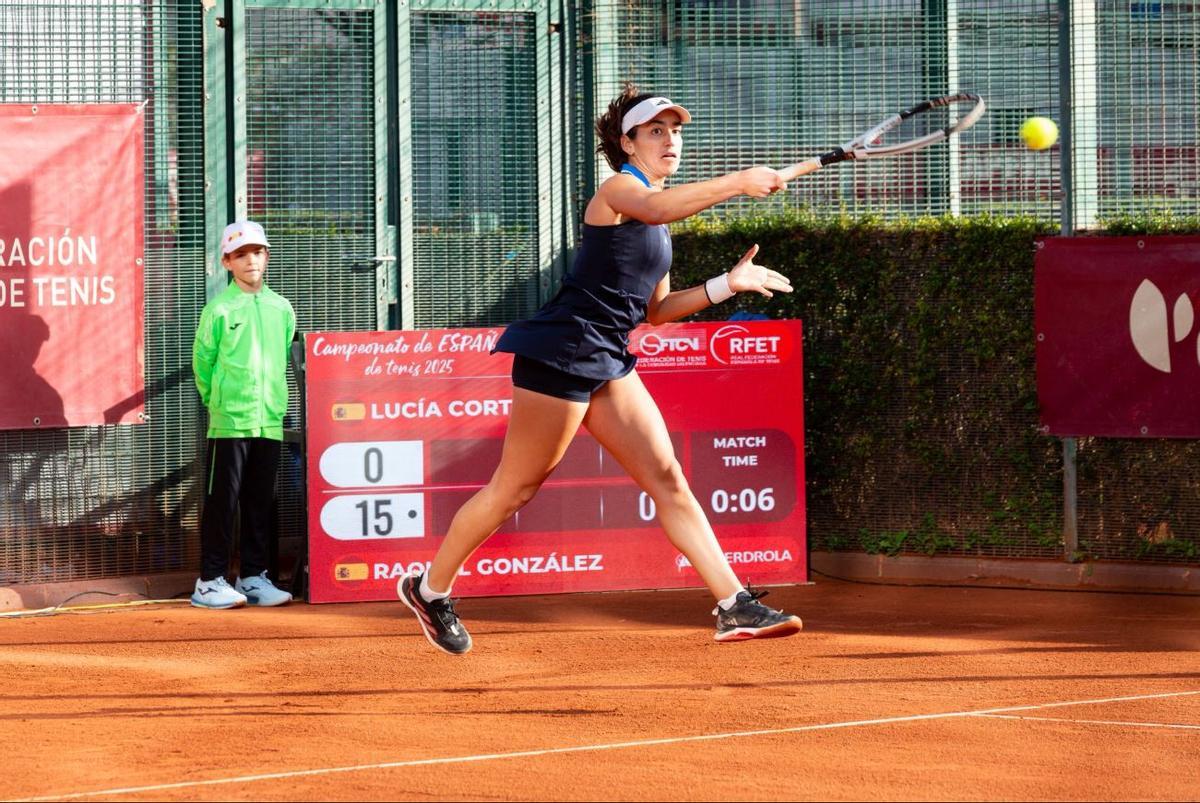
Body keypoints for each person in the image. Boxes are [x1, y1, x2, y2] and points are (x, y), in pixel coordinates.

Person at [398, 87, 801, 654]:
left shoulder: (659, 224)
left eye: (675, 131)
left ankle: (735, 605)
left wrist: (725, 286)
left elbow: (655, 311)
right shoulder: (620, 191)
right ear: (627, 142)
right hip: (562, 350)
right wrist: (737, 182)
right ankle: (429, 588)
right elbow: (661, 205)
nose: (670, 140)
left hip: (609, 358)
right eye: (655, 131)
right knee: (515, 489)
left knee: (669, 480)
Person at [190, 220, 296, 609]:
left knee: (260, 502)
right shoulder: (217, 310)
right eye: (240, 255)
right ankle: (209, 581)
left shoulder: (282, 308)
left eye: (256, 252)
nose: (250, 260)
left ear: (266, 256)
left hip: (269, 420)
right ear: (226, 263)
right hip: (229, 421)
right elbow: (203, 363)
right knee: (223, 502)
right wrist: (217, 400)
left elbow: (284, 349)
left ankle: (253, 577)